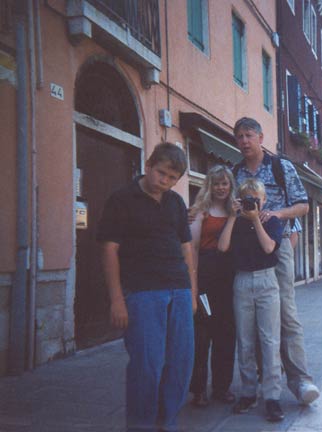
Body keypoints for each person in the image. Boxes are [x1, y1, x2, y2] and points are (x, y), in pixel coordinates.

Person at [97, 143, 197, 432]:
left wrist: (191, 291)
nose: (164, 181)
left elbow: (186, 249)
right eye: (161, 173)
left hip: (178, 290)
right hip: (142, 292)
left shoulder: (176, 202)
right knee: (147, 367)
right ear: (149, 163)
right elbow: (109, 249)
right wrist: (116, 299)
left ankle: (167, 424)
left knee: (180, 365)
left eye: (171, 178)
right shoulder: (121, 199)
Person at [232, 117, 320, 404]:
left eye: (249, 135)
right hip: (247, 249)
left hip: (277, 244)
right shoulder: (236, 172)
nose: (244, 141)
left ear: (260, 137)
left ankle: (300, 381)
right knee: (254, 321)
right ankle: (261, 379)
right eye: (239, 136)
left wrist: (276, 215)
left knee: (287, 313)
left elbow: (303, 205)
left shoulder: (281, 167)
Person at [218, 178, 285, 422]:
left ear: (263, 200)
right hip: (242, 281)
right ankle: (248, 392)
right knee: (245, 340)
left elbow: (269, 248)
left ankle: (272, 397)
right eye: (246, 199)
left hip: (267, 281)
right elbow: (223, 247)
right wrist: (234, 216)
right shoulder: (234, 223)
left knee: (269, 340)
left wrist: (255, 218)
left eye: (254, 200)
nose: (250, 204)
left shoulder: (272, 221)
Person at [188, 165, 237, 407]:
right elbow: (193, 250)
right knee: (202, 335)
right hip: (206, 276)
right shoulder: (200, 212)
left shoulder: (235, 211)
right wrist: (193, 286)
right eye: (216, 183)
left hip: (229, 279)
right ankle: (198, 390)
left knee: (226, 335)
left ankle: (221, 387)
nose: (220, 187)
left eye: (225, 183)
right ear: (210, 185)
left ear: (231, 186)